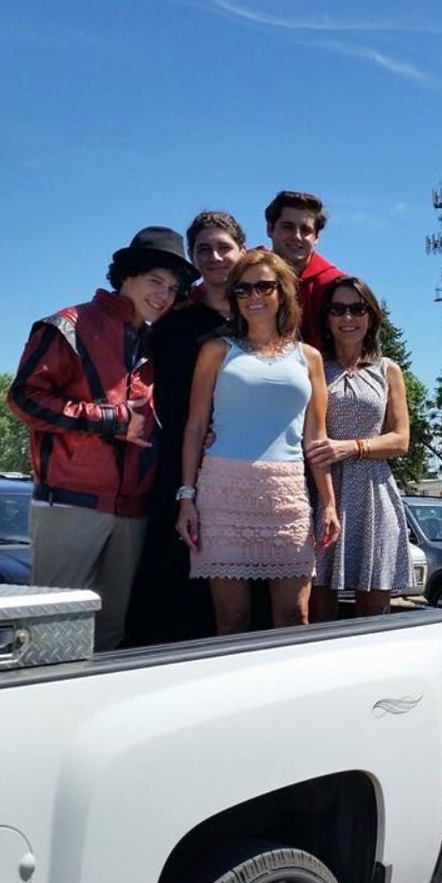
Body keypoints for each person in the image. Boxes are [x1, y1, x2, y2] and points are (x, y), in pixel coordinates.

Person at [7, 226, 198, 651]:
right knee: (49, 633)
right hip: (70, 505)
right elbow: (23, 399)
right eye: (156, 281)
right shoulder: (67, 325)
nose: (165, 295)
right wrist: (110, 419)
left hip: (134, 512)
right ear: (126, 274)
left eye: (172, 287)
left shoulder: (156, 339)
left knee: (112, 634)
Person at [176, 249, 339, 634]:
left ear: (282, 291)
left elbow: (316, 437)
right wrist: (186, 498)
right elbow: (195, 428)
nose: (254, 296)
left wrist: (328, 503)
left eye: (264, 286)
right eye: (244, 289)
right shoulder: (216, 351)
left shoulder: (310, 358)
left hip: (287, 495)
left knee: (294, 619)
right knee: (232, 621)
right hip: (222, 493)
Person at [124, 211, 246, 646]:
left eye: (223, 247)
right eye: (203, 250)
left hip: (245, 471)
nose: (214, 257)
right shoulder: (172, 325)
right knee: (174, 584)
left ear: (242, 251)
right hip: (179, 465)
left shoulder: (259, 322)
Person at [304, 276, 412, 618]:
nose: (348, 318)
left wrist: (351, 447)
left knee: (373, 604)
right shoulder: (314, 366)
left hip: (372, 494)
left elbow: (400, 439)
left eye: (357, 308)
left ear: (371, 316)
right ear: (327, 318)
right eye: (338, 309)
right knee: (319, 600)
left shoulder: (387, 370)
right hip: (324, 491)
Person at [264, 190, 345, 350]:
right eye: (288, 227)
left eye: (306, 230)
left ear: (316, 237)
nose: (297, 236)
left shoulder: (334, 285)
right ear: (270, 229)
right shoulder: (248, 276)